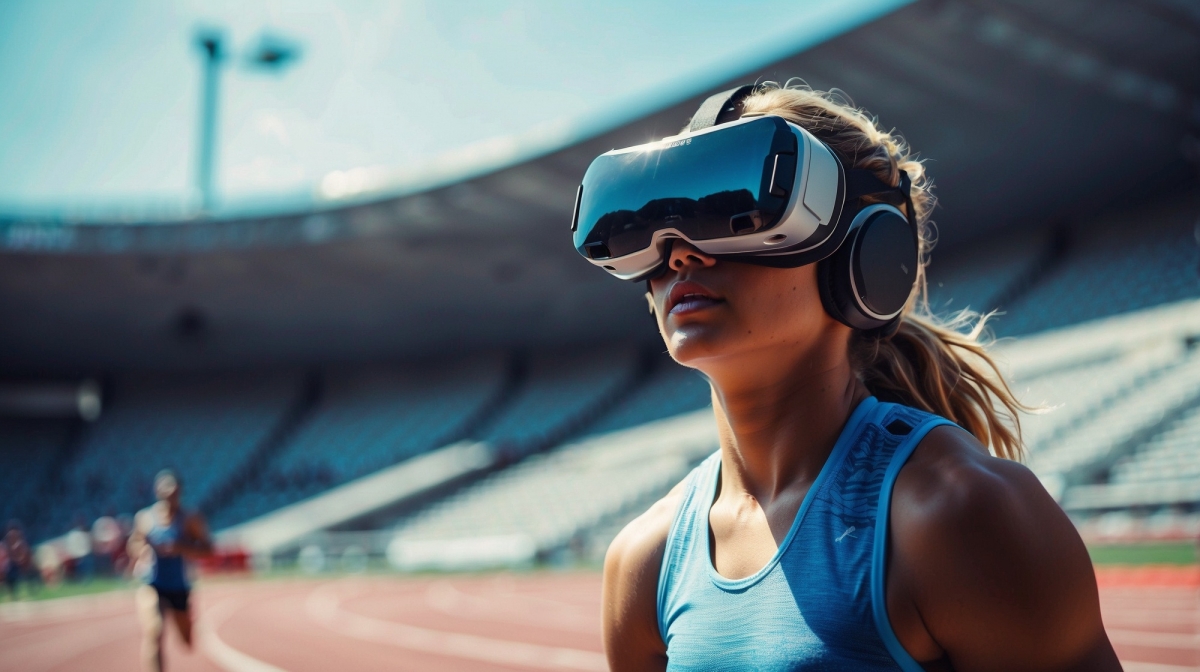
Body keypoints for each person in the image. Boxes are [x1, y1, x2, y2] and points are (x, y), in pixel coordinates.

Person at [592, 82, 1120, 670]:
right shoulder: (644, 559)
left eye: (732, 209)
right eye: (653, 224)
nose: (680, 255)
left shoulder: (961, 514)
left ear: (866, 253)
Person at [128, 470, 212, 672]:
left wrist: (181, 548)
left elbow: (208, 549)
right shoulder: (145, 518)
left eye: (174, 491)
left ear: (180, 492)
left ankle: (188, 622)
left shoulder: (191, 518)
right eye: (165, 490)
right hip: (152, 582)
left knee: (187, 641)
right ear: (157, 491)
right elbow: (134, 543)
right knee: (154, 632)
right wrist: (142, 550)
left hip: (179, 585)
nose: (170, 495)